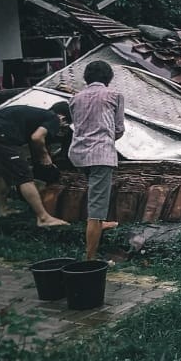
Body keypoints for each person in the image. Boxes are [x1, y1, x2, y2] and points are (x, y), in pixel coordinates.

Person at [0, 101, 71, 226]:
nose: (61, 128)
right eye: (65, 124)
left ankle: (3, 209)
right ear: (62, 117)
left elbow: (33, 139)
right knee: (24, 176)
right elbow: (37, 137)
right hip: (0, 134)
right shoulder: (53, 117)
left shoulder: (37, 114)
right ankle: (43, 218)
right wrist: (45, 156)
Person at [68, 60, 125, 260]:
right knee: (96, 207)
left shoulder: (75, 98)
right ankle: (90, 259)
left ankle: (100, 223)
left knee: (96, 195)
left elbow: (76, 124)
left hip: (78, 153)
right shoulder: (115, 96)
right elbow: (119, 130)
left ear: (86, 78)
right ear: (108, 78)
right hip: (101, 154)